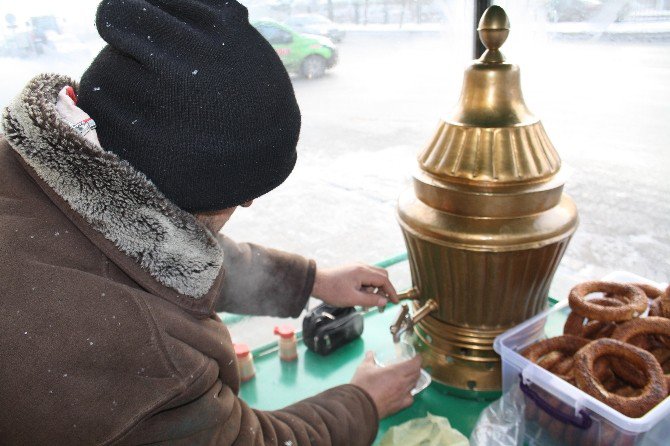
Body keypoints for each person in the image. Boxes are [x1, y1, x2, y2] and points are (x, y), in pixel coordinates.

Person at [0, 0, 422, 444]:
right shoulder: (143, 353)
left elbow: (160, 252)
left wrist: (310, 280)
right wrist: (363, 401)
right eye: (242, 193)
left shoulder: (42, 164)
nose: (251, 203)